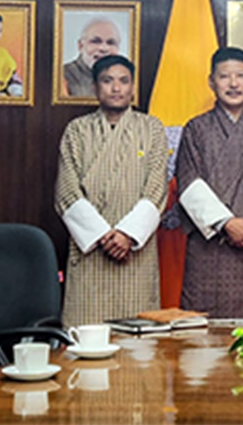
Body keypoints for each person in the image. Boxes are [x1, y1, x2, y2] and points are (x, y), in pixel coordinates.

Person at [54, 55, 170, 326]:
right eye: (108, 81)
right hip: (91, 252)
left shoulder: (151, 128)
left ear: (132, 87)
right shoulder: (77, 131)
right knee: (85, 341)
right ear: (95, 87)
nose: (116, 88)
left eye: (123, 81)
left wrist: (127, 235)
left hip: (135, 254)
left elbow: (156, 188)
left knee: (136, 348)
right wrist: (104, 236)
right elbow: (66, 192)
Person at [174, 47, 243, 318]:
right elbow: (188, 183)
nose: (233, 83)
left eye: (240, 76)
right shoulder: (196, 129)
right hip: (209, 248)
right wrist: (226, 223)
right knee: (201, 337)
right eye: (225, 76)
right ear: (211, 82)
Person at [63, 17, 123, 98]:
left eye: (110, 43)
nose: (103, 48)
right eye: (95, 41)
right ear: (80, 46)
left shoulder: (126, 79)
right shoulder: (62, 75)